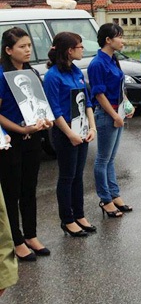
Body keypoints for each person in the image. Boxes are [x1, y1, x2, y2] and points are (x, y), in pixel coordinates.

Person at [0, 28, 53, 260]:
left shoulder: (31, 72)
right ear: (8, 50)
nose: (28, 50)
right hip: (11, 141)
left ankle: (31, 234)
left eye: (29, 45)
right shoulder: (2, 74)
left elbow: (40, 103)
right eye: (22, 47)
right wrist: (21, 129)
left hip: (34, 138)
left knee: (29, 189)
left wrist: (45, 119)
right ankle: (16, 240)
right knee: (11, 192)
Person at [43, 32, 97, 236]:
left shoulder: (75, 71)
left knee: (78, 176)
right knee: (66, 176)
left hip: (82, 130)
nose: (83, 49)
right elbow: (55, 110)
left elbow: (88, 102)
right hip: (66, 133)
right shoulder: (52, 76)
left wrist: (92, 128)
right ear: (69, 50)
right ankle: (67, 219)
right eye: (80, 46)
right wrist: (70, 134)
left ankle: (79, 214)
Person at [88, 23, 135, 219]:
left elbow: (119, 87)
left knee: (110, 159)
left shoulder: (113, 59)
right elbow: (98, 94)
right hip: (107, 115)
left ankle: (114, 194)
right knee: (102, 159)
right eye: (119, 36)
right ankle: (105, 199)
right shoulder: (97, 63)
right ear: (108, 40)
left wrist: (126, 106)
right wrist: (114, 115)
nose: (122, 40)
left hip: (118, 112)